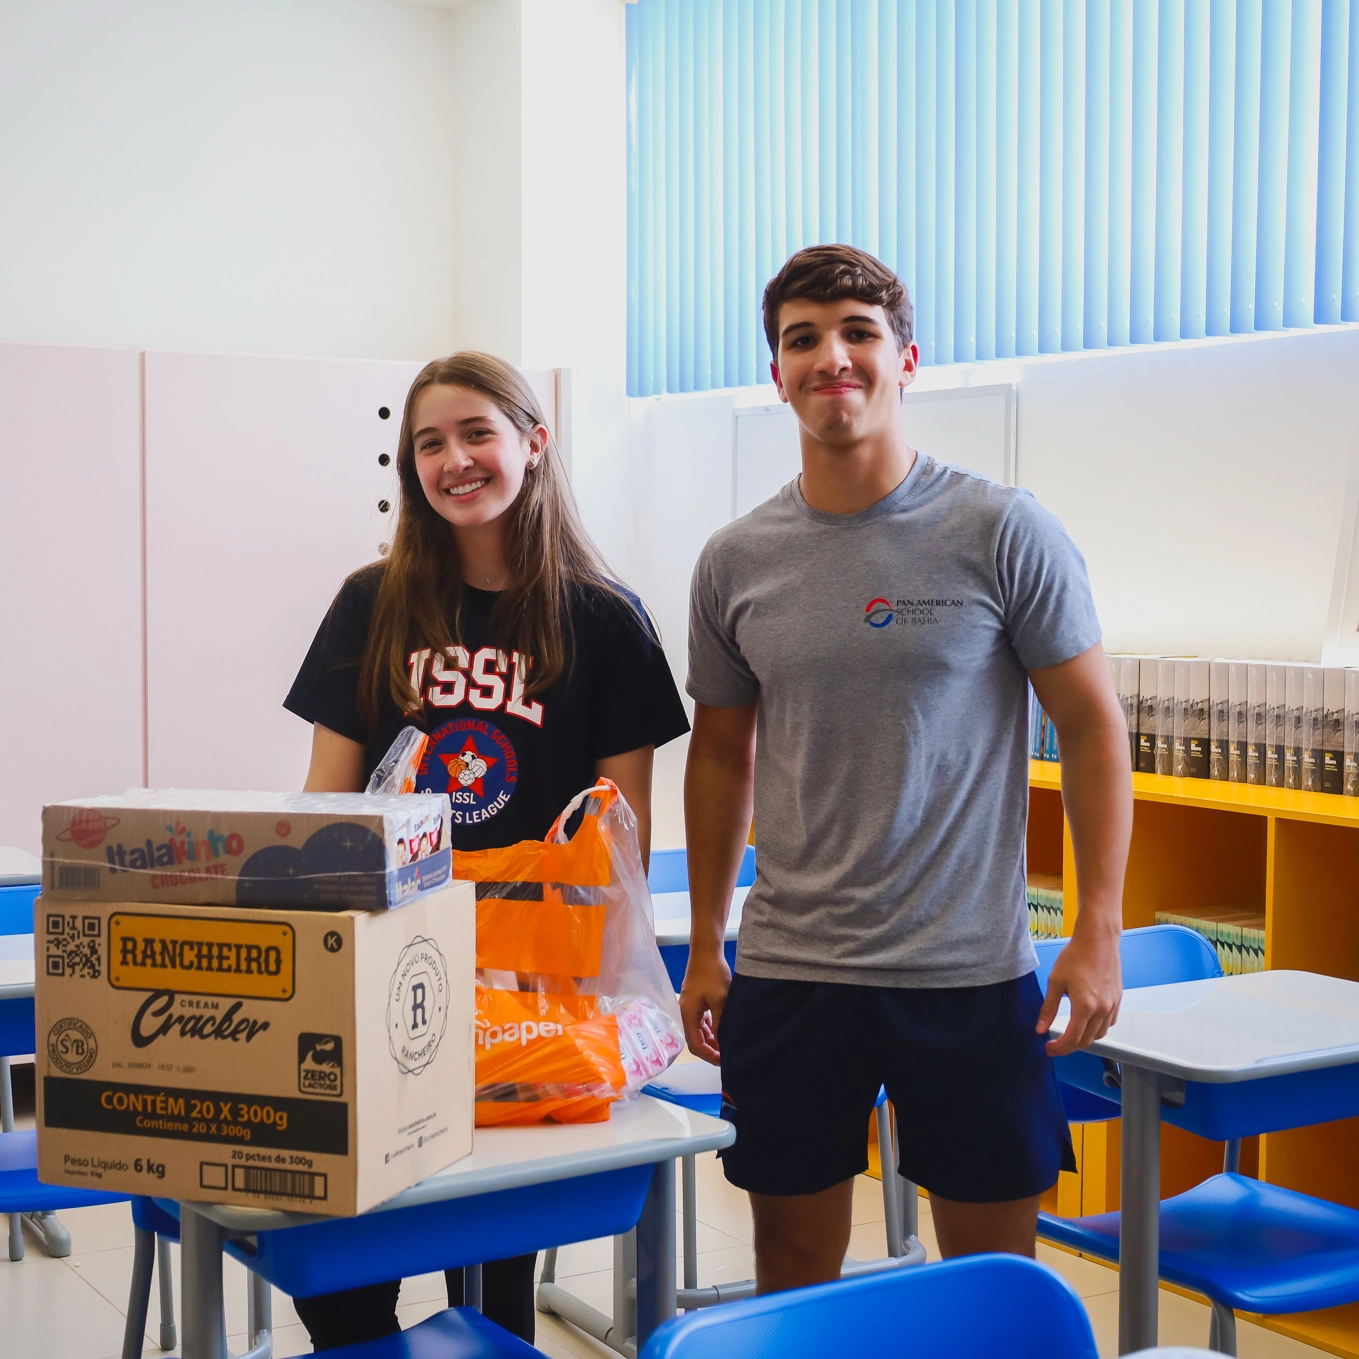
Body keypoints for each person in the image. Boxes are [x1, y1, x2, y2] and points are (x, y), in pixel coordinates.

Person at [680, 244, 1132, 1292]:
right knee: (792, 1267)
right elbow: (719, 754)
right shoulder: (736, 560)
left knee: (985, 1280)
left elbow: (1095, 731)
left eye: (857, 332)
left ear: (907, 359)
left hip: (969, 973)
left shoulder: (1002, 530)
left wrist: (1100, 930)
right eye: (803, 339)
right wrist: (707, 940)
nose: (830, 356)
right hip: (794, 971)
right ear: (778, 373)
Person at [284, 351, 690, 1347]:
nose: (453, 459)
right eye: (429, 443)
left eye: (476, 434)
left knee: (500, 1253)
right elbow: (325, 801)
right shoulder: (369, 603)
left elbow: (614, 838)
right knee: (349, 1255)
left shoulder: (604, 619)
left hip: (533, 985)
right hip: (388, 960)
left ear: (533, 444)